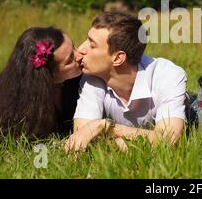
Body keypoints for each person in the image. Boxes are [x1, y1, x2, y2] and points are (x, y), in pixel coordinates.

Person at [64, 11, 188, 152]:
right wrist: (124, 143)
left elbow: (168, 140)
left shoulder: (168, 75)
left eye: (92, 45)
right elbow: (82, 138)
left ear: (118, 58)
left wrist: (106, 127)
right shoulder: (92, 75)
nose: (80, 49)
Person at [0, 27, 83, 140]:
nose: (80, 55)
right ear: (49, 75)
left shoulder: (83, 82)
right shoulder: (23, 111)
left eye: (74, 47)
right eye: (70, 60)